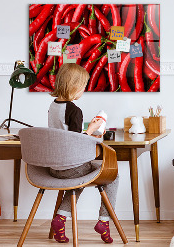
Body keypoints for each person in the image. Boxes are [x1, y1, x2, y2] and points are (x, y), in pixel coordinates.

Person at [48, 63, 118, 244]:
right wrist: (93, 129)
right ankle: (104, 221)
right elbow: (76, 141)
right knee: (113, 175)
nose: (83, 90)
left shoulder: (53, 106)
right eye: (83, 86)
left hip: (54, 167)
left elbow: (65, 135)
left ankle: (60, 219)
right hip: (71, 167)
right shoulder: (74, 110)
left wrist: (88, 130)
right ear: (74, 86)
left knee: (78, 178)